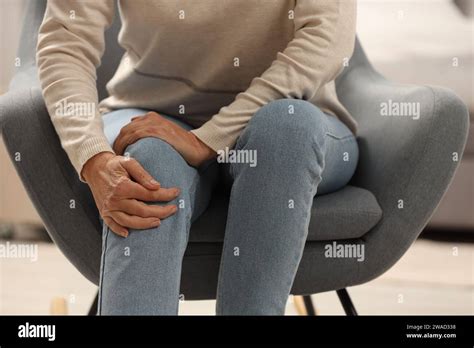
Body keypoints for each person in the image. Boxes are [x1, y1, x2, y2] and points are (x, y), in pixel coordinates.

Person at [37, 0, 358, 315]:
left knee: (287, 130)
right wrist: (93, 157)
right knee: (147, 166)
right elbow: (67, 40)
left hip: (293, 118)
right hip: (153, 111)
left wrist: (210, 139)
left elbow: (325, 37)